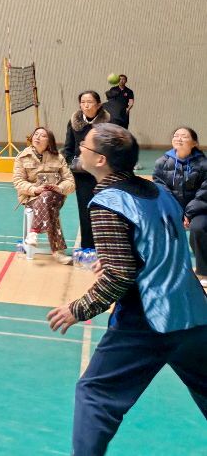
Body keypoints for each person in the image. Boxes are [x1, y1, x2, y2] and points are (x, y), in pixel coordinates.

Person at [46, 124, 207, 455]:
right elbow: (160, 248)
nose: (79, 149)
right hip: (195, 313)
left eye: (85, 145)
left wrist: (77, 308)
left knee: (95, 395)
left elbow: (119, 276)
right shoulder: (160, 192)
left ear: (101, 160)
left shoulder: (108, 202)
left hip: (147, 320)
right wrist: (119, 258)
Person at [12, 127, 75, 264]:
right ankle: (58, 252)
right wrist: (35, 189)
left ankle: (34, 231)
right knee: (49, 205)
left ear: (49, 141)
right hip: (31, 197)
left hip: (56, 196)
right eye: (36, 134)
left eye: (43, 135)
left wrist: (59, 187)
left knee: (48, 195)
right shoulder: (22, 157)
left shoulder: (58, 157)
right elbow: (18, 181)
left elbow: (70, 182)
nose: (38, 137)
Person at [152, 127, 207, 283]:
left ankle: (203, 271)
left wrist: (188, 213)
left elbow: (204, 193)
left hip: (199, 209)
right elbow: (161, 189)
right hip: (172, 209)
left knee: (199, 228)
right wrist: (177, 211)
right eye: (176, 136)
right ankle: (165, 270)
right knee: (156, 225)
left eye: (184, 136)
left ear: (194, 143)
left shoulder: (204, 164)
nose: (179, 139)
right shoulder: (162, 162)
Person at [63, 91, 110, 251]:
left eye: (89, 102)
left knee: (103, 210)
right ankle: (88, 247)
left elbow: (113, 147)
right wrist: (73, 163)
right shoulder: (73, 122)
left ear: (98, 104)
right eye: (83, 102)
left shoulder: (109, 123)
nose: (86, 105)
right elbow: (68, 147)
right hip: (81, 174)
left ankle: (105, 247)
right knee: (85, 210)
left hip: (102, 173)